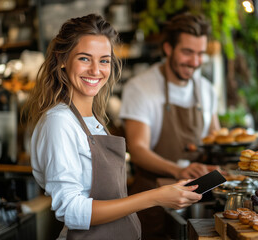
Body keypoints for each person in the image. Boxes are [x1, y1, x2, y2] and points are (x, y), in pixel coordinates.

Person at [23, 14, 202, 240]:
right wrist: (155, 197)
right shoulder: (59, 122)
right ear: (62, 59)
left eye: (104, 60)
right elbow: (70, 210)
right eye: (85, 59)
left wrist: (170, 191)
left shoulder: (95, 120)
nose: (96, 70)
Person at [119, 12, 221, 239]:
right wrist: (178, 170)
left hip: (198, 200)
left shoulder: (206, 89)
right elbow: (137, 150)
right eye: (187, 52)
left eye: (200, 54)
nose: (195, 62)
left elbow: (215, 140)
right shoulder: (140, 88)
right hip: (153, 202)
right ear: (167, 48)